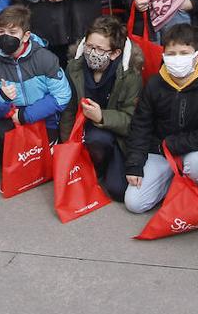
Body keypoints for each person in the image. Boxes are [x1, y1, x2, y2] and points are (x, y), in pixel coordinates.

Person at [123, 23, 198, 214]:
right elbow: (140, 125)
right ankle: (170, 180)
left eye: (184, 53)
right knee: (134, 204)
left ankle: (192, 191)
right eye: (171, 54)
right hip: (158, 151)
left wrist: (172, 144)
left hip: (193, 151)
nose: (177, 59)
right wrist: (135, 164)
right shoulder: (154, 84)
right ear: (163, 56)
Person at [61, 15, 145, 203]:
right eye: (89, 47)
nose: (92, 53)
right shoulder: (75, 67)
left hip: (116, 136)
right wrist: (66, 148)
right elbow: (68, 109)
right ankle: (93, 168)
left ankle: (105, 166)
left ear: (115, 53)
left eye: (99, 49)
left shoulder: (130, 74)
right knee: (94, 139)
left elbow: (132, 120)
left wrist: (102, 117)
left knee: (118, 191)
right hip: (83, 132)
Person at [0, 4, 72, 157]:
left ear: (25, 36)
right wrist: (2, 98)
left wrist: (26, 115)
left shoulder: (45, 58)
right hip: (11, 116)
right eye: (1, 31)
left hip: (43, 116)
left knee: (44, 161)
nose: (5, 37)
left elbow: (62, 96)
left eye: (12, 32)